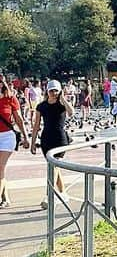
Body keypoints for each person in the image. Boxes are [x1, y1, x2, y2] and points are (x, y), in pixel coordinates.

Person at [30, 79, 73, 208]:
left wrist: (63, 99)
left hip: (60, 139)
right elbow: (36, 125)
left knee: (53, 167)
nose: (53, 93)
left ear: (59, 91)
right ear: (47, 91)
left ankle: (49, 195)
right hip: (46, 139)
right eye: (51, 90)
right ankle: (63, 193)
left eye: (56, 90)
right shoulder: (41, 106)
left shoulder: (62, 105)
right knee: (54, 167)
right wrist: (33, 143)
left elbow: (71, 112)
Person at [0, 75, 29, 209]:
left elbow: (19, 119)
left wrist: (25, 136)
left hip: (7, 137)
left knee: (0, 167)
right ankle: (5, 198)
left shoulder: (10, 98)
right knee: (1, 169)